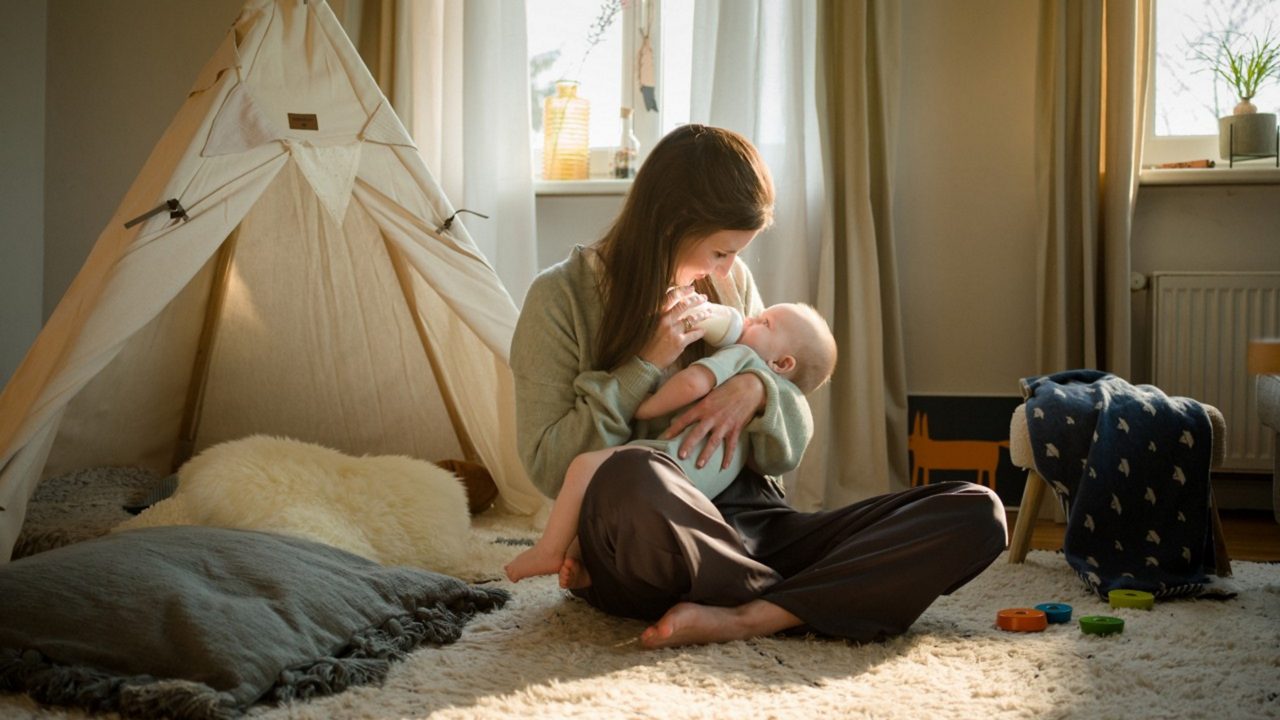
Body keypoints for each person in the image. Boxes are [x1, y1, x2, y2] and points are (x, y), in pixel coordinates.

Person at [509, 123, 1007, 650]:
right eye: (721, 252)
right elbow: (549, 464)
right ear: (672, 224)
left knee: (976, 511)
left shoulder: (727, 282)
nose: (727, 269)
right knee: (634, 473)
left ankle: (751, 615)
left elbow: (782, 447)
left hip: (752, 527)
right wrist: (645, 365)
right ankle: (817, 596)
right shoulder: (558, 299)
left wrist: (758, 391)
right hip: (646, 536)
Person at [505, 302, 838, 587]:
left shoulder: (743, 358)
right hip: (702, 488)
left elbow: (692, 383)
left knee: (583, 468)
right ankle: (588, 568)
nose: (749, 320)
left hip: (671, 463)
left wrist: (641, 404)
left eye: (764, 322)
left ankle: (548, 550)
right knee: (603, 505)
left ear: (781, 364)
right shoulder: (762, 405)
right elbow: (771, 461)